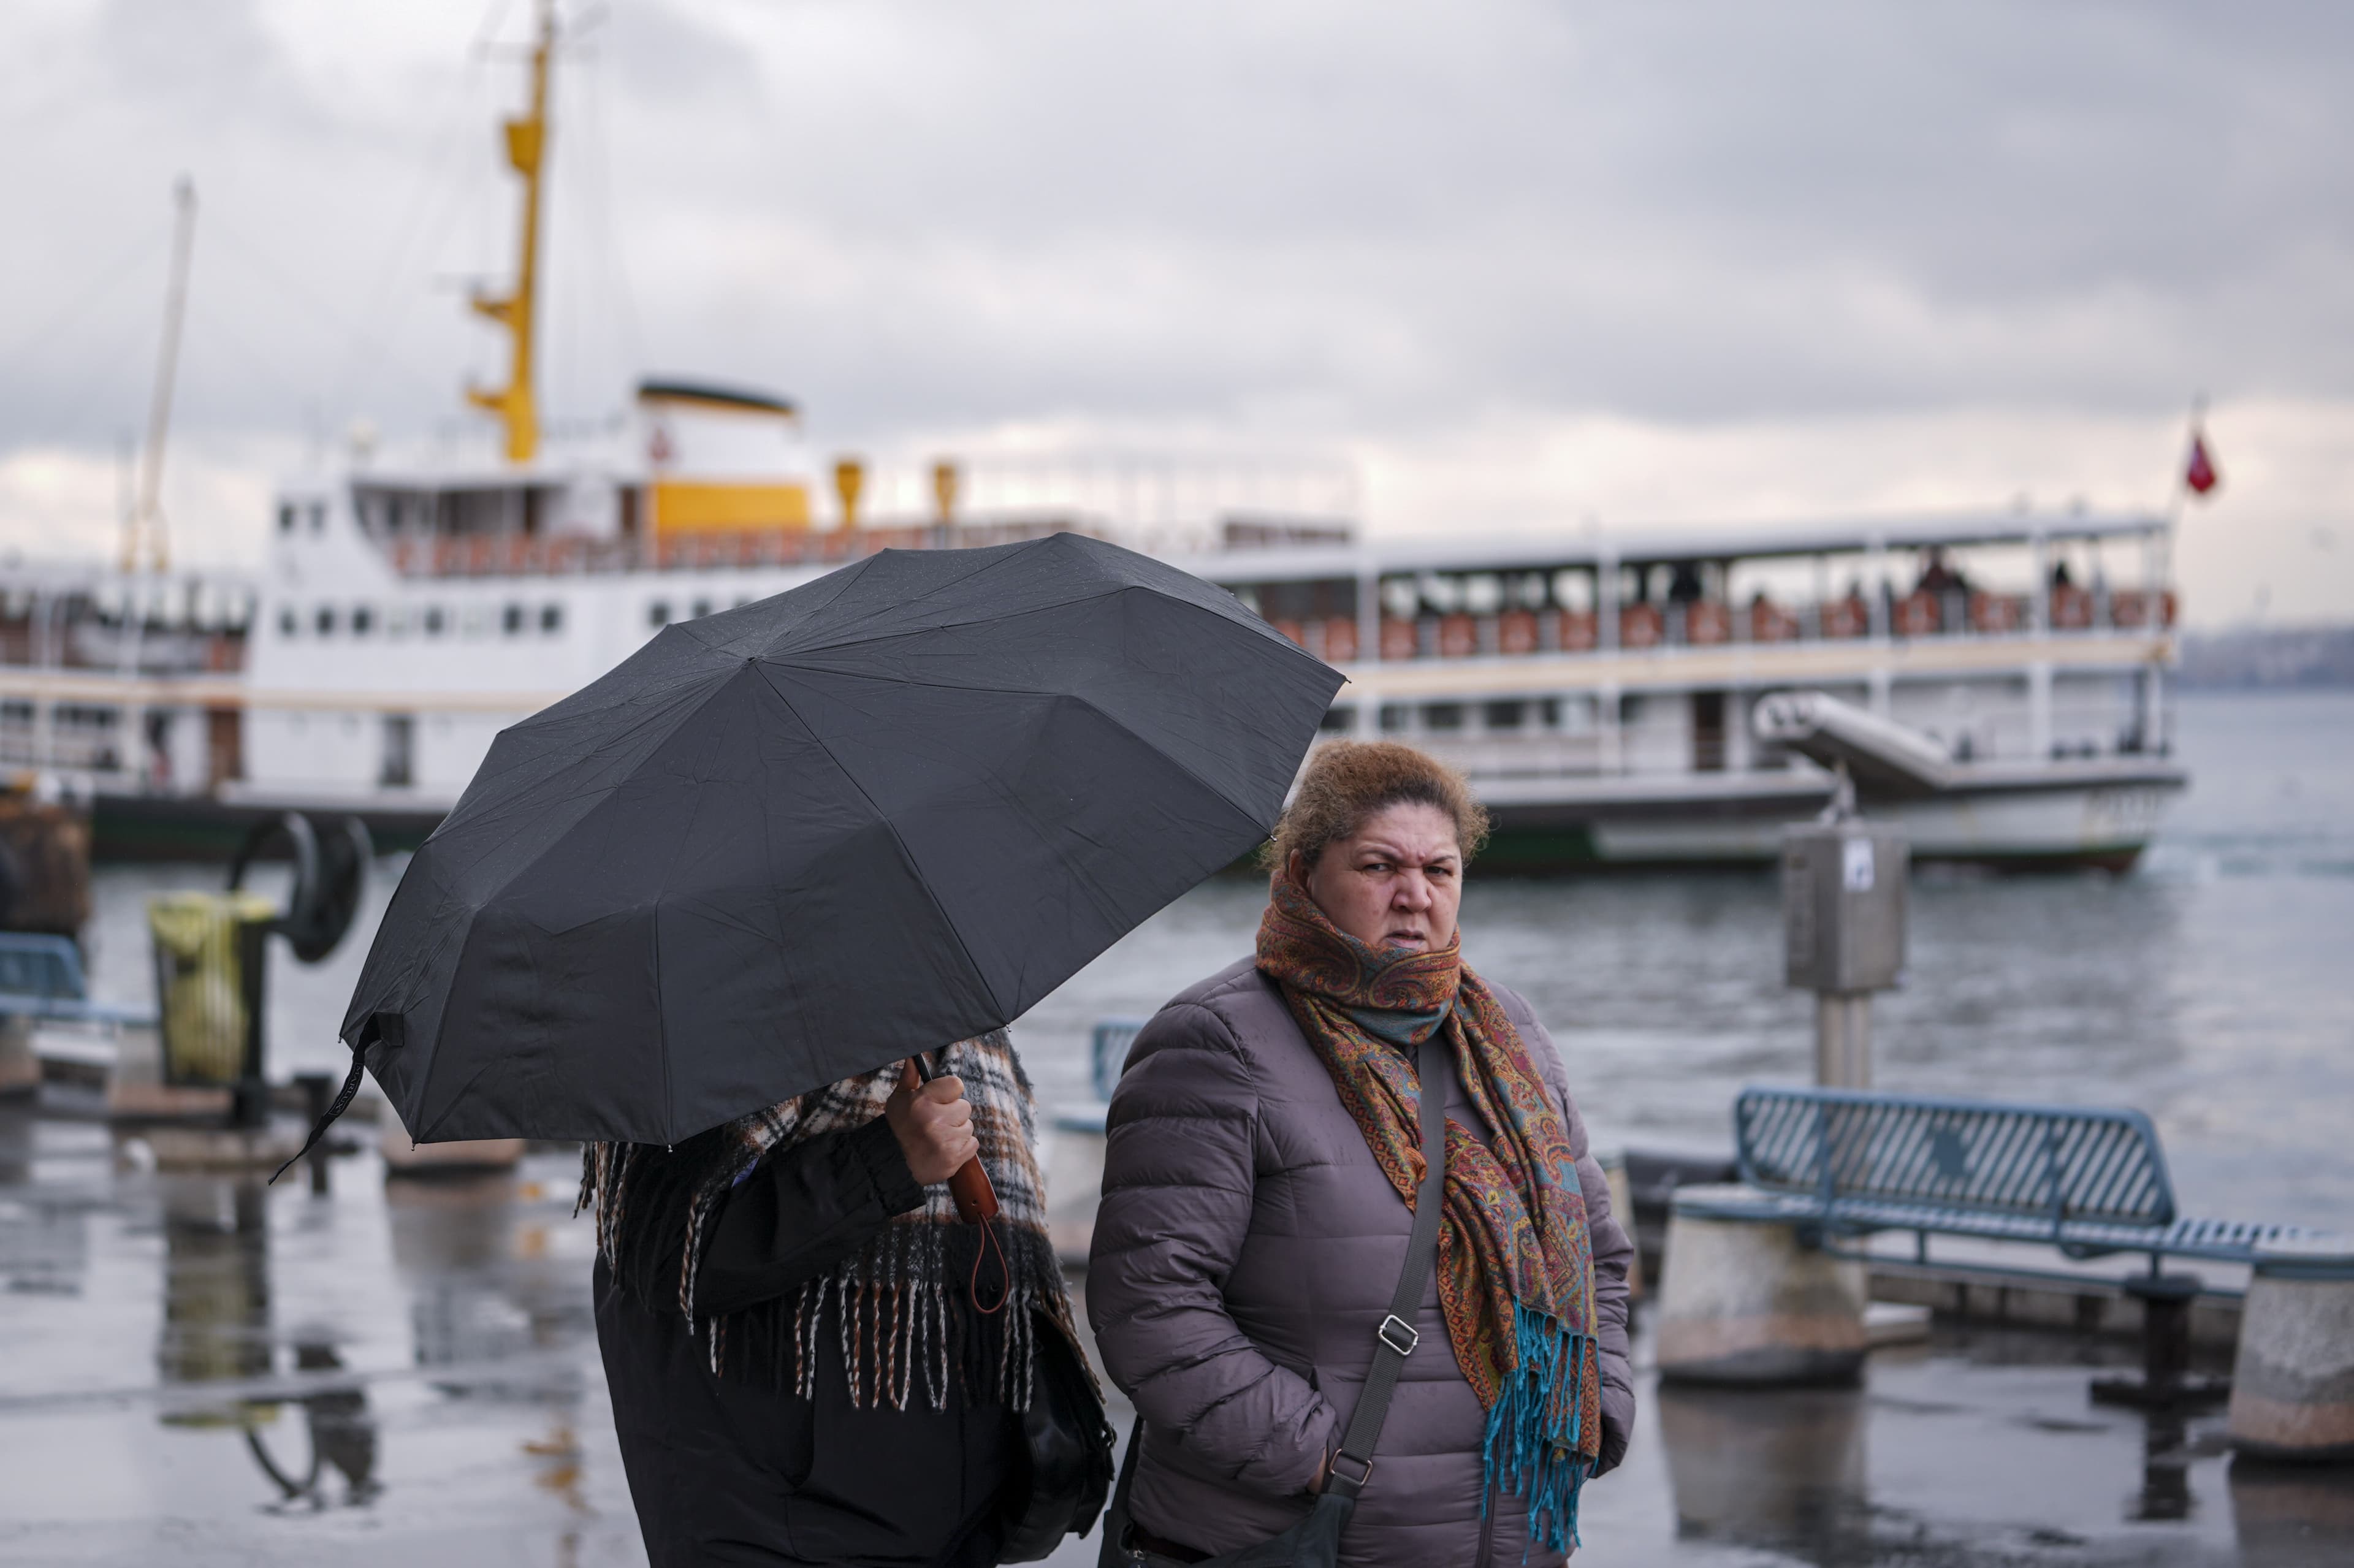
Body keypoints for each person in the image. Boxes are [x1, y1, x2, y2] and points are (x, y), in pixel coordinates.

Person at [1087, 742, 1636, 1565]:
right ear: (1307, 870)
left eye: (1440, 871)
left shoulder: (1510, 1035)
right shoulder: (1216, 1040)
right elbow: (1148, 1302)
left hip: (1509, 1534)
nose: (1415, 896)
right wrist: (1325, 1456)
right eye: (1381, 866)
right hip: (1310, 1536)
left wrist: (1602, 1405)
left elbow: (1597, 1251)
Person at [587, 1031, 1081, 1567]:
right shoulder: (724, 1018)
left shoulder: (968, 1029)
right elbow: (664, 1251)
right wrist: (886, 1161)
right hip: (781, 1520)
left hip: (948, 1516)